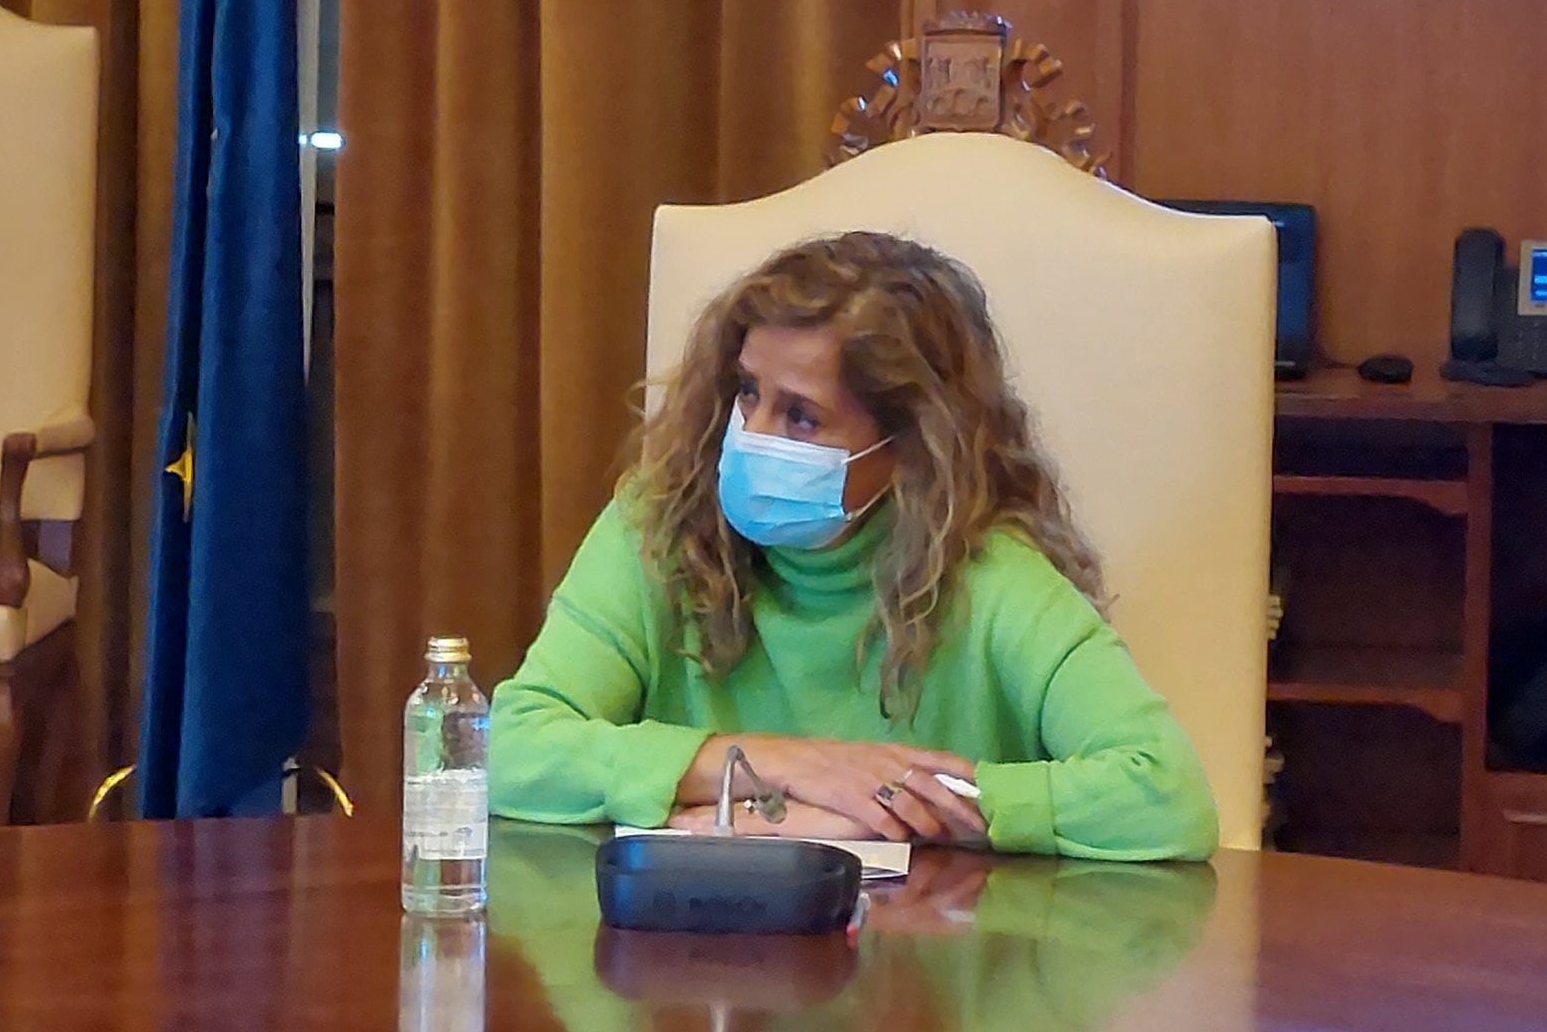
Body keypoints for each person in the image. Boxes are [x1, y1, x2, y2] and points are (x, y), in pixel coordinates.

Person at [490, 231, 1217, 861]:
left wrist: (887, 809)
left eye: (801, 416)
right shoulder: (659, 525)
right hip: (690, 976)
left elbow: (1166, 793)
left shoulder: (991, 577)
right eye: (748, 393)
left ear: (911, 446)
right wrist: (777, 767)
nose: (753, 434)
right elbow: (508, 750)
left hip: (924, 981)